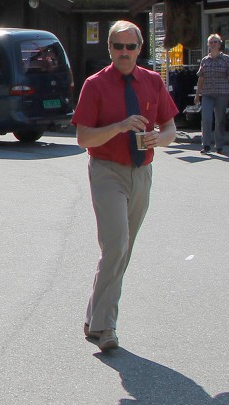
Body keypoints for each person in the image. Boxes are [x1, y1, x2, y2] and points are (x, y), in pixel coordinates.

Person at [72, 20, 177, 352]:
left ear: (139, 48)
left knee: (122, 250)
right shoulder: (95, 84)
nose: (124, 52)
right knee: (116, 244)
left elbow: (171, 128)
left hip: (141, 171)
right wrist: (118, 127)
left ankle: (93, 316)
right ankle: (106, 328)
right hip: (107, 171)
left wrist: (159, 138)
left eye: (130, 47)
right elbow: (83, 138)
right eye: (118, 46)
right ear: (109, 49)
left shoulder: (152, 81)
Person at [194, 33, 229, 154]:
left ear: (219, 44)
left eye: (215, 42)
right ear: (208, 45)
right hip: (207, 94)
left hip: (222, 93)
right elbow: (201, 78)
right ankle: (206, 145)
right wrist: (197, 95)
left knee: (220, 119)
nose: (213, 44)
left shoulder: (226, 59)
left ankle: (219, 145)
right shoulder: (205, 60)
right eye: (211, 42)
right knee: (206, 118)